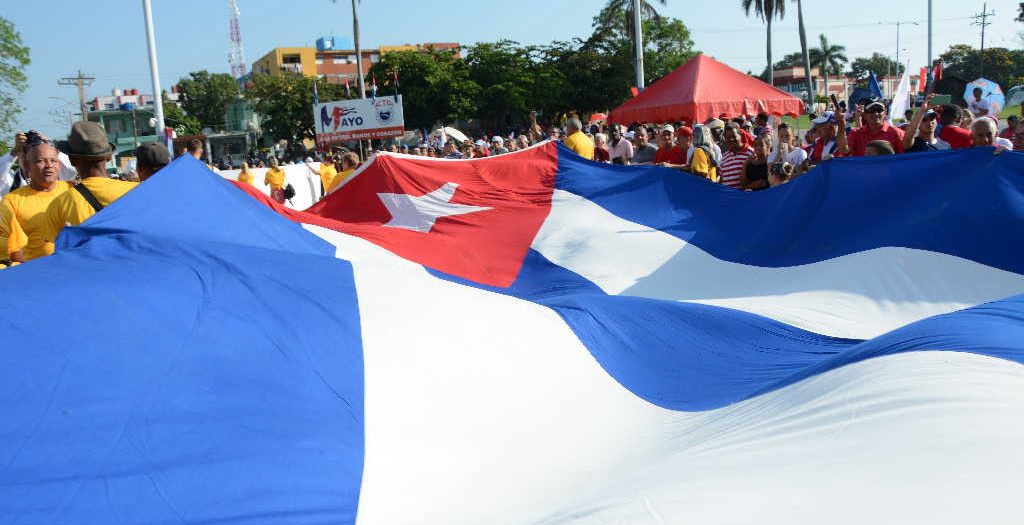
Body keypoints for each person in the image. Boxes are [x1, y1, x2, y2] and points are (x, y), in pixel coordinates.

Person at [43, 122, 138, 241]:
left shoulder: (59, 205)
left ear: (72, 160)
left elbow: (54, 249)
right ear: (109, 156)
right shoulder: (137, 191)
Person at [0, 138, 71, 264]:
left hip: (74, 267)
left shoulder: (72, 191)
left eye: (53, 160)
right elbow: (12, 247)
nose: (49, 165)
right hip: (37, 274)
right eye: (40, 161)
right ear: (27, 166)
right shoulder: (12, 201)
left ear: (59, 165)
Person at [719, 123, 755, 189]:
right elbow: (722, 180)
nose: (731, 139)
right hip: (727, 197)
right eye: (728, 137)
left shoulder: (750, 152)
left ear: (740, 135)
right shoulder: (724, 156)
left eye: (734, 136)